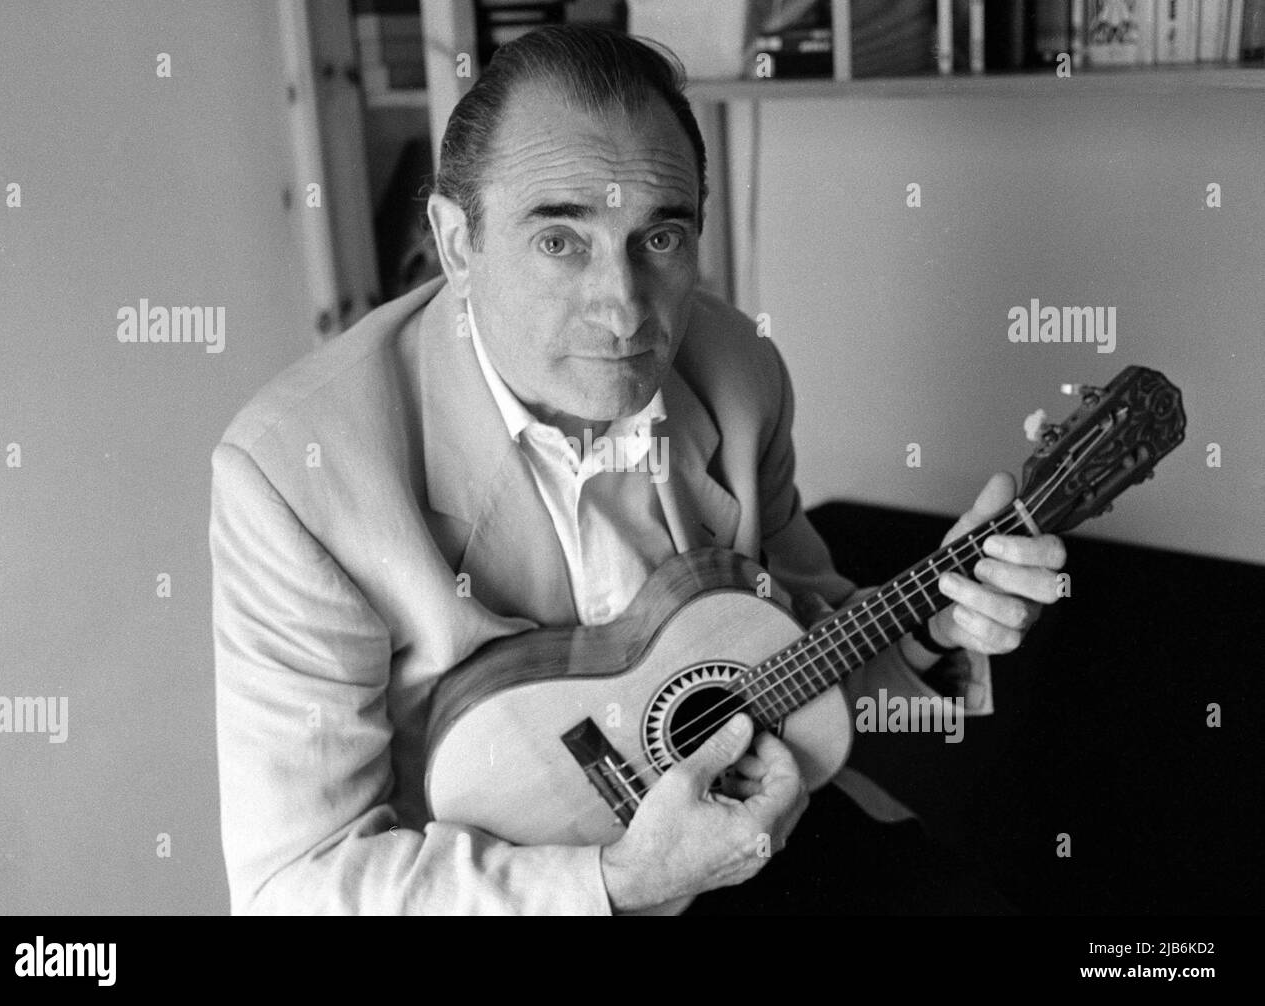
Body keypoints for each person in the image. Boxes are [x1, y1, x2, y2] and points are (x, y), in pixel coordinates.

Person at [209, 25, 1066, 915]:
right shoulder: (295, 478)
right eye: (561, 242)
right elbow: (294, 887)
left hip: (752, 834)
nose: (623, 312)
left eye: (659, 238)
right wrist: (615, 882)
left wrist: (937, 623)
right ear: (457, 243)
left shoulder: (739, 372)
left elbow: (801, 645)